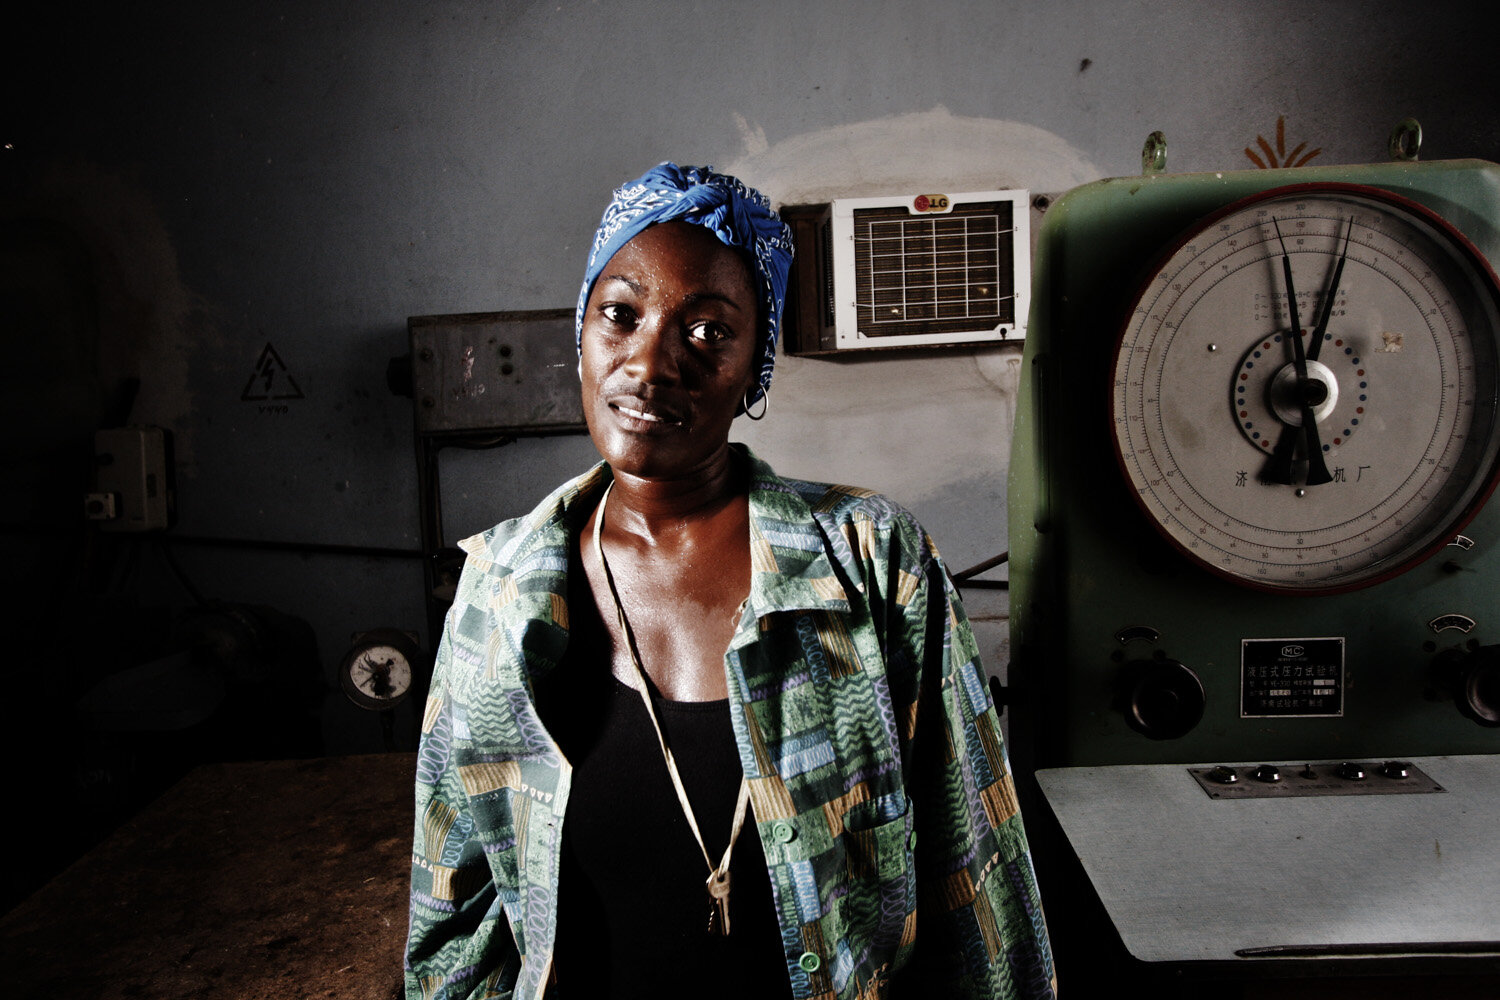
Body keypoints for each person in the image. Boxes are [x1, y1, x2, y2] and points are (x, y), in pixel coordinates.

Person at [404, 163, 1055, 1000]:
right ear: (583, 331)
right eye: (621, 316)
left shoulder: (873, 567)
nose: (651, 362)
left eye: (708, 331)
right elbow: (455, 917)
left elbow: (979, 872)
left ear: (757, 368)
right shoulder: (497, 593)